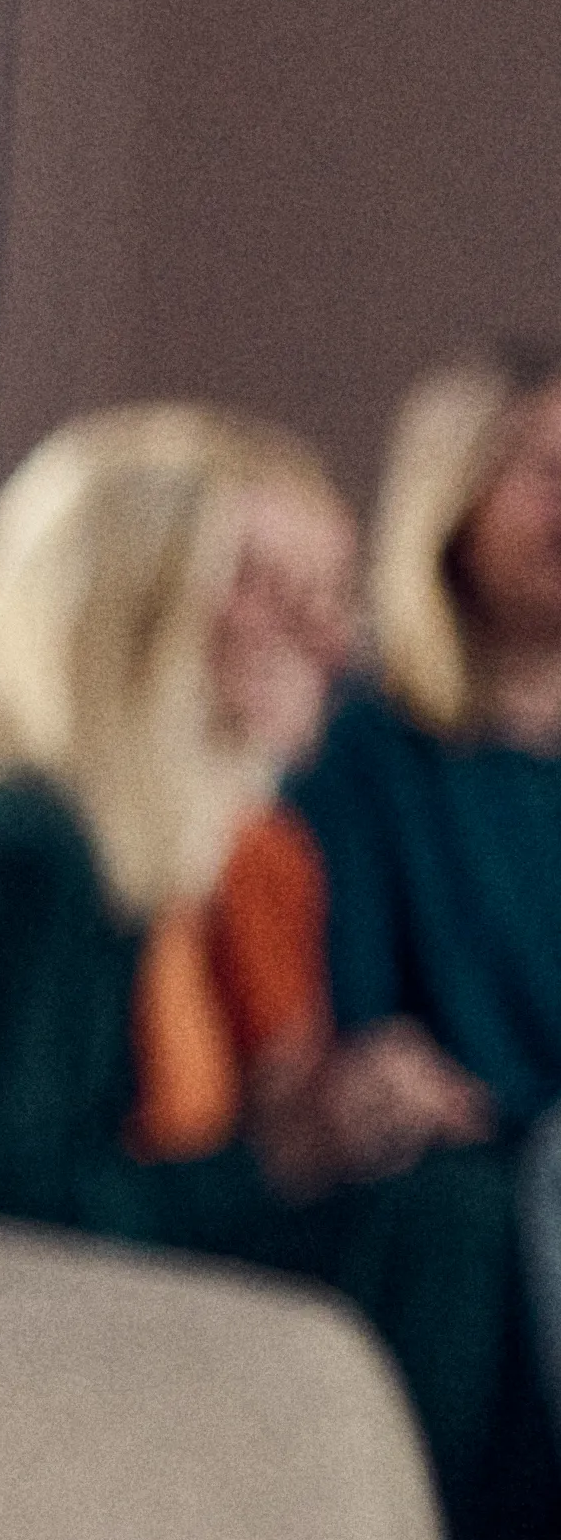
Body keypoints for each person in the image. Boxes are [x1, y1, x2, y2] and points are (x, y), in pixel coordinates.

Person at [0, 398, 545, 1540]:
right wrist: (288, 1155)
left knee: (451, 1206)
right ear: (125, 609)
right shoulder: (14, 854)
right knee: (447, 1226)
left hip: (45, 1330)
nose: (329, 638)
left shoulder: (128, 864)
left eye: (330, 592)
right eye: (269, 590)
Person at [291, 336, 561, 1126]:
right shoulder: (361, 747)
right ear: (453, 495)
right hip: (462, 1191)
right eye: (547, 474)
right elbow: (362, 1037)